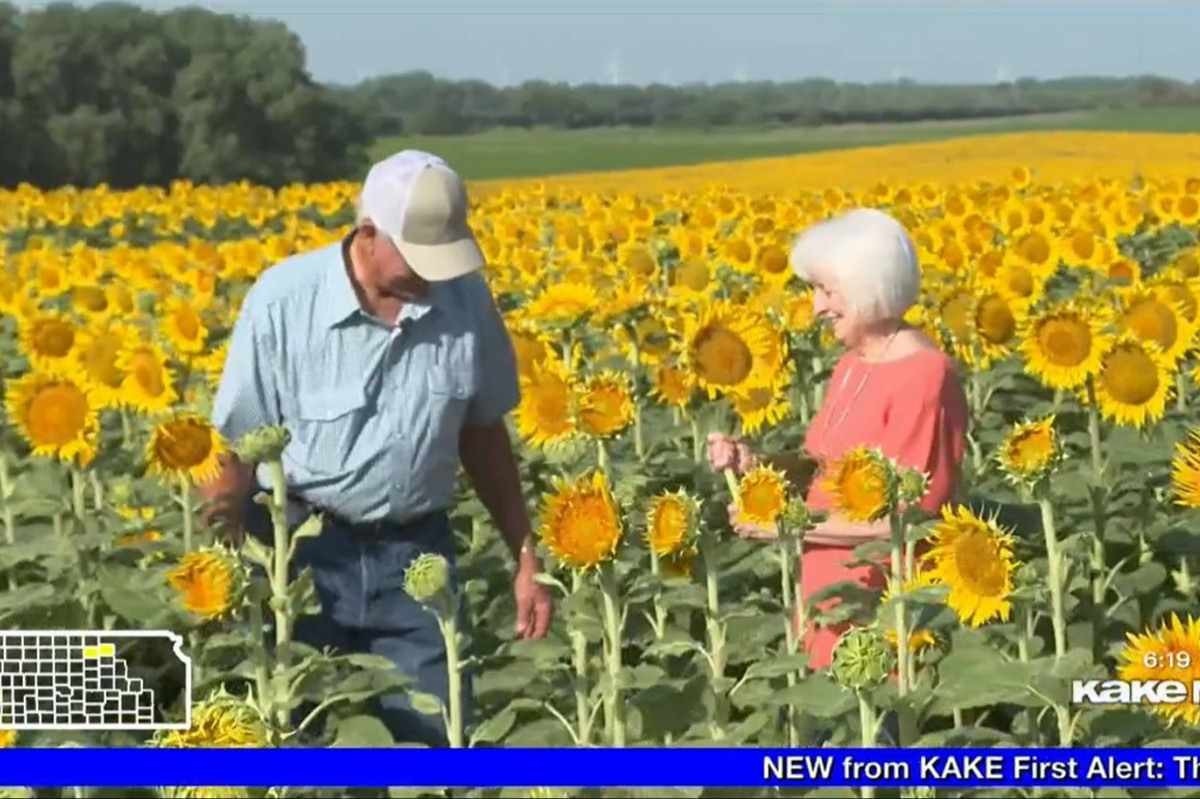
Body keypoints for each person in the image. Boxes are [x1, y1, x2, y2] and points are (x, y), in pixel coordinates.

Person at [199, 149, 554, 746]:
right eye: (419, 256)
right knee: (294, 747)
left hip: (416, 558)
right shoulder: (285, 301)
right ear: (367, 233)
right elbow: (233, 448)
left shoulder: (465, 304)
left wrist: (526, 557)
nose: (434, 272)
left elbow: (483, 434)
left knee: (437, 747)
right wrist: (223, 564)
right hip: (300, 556)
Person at [708, 207, 968, 671]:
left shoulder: (925, 376)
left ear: (871, 285)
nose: (817, 307)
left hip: (885, 618)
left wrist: (785, 526)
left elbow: (907, 519)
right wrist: (755, 465)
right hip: (826, 611)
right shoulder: (852, 365)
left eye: (828, 290)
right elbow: (820, 468)